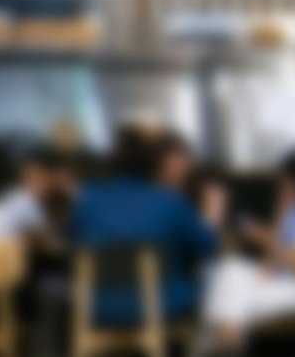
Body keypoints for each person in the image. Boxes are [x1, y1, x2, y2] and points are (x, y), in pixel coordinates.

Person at [70, 125, 218, 338]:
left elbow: (74, 242)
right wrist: (212, 215)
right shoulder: (170, 201)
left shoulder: (86, 200)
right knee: (209, 280)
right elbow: (208, 247)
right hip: (160, 306)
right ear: (154, 164)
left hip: (96, 307)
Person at [205, 151, 295, 352]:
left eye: (285, 183)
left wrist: (268, 240)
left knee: (228, 303)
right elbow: (269, 270)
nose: (281, 189)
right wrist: (279, 218)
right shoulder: (292, 212)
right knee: (229, 270)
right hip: (280, 283)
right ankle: (229, 344)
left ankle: (226, 349)